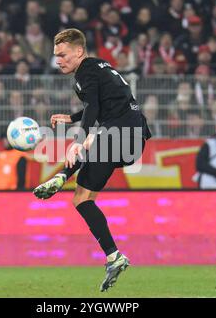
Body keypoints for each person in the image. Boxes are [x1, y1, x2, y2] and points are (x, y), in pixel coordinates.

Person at [32, 28, 151, 292]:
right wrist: (72, 119)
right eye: (55, 56)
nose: (58, 60)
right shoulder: (99, 68)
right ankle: (113, 256)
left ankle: (63, 175)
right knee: (82, 199)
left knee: (89, 141)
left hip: (122, 131)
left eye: (63, 55)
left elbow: (94, 108)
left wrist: (78, 138)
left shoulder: (86, 70)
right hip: (131, 138)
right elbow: (97, 103)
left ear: (79, 51)